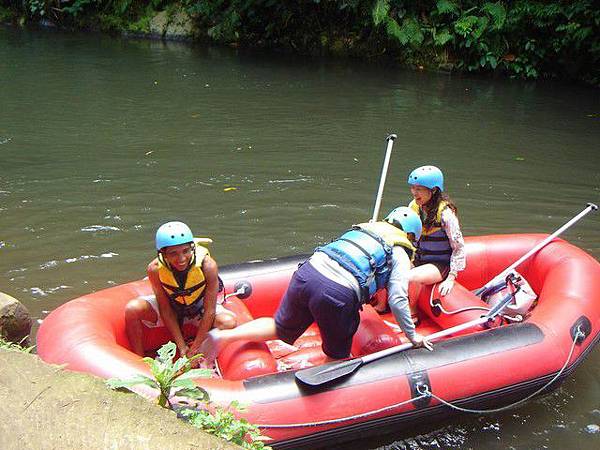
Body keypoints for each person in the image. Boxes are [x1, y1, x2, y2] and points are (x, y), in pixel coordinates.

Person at [199, 207, 431, 364]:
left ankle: (223, 337)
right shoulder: (400, 251)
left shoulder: (367, 229)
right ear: (410, 235)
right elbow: (398, 298)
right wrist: (412, 337)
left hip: (306, 274)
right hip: (335, 293)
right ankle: (320, 390)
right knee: (337, 356)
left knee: (281, 328)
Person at [125, 221, 236, 358]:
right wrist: (181, 346)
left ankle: (204, 349)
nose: (181, 258)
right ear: (163, 254)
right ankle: (138, 361)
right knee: (132, 309)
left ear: (192, 248)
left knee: (229, 323)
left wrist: (195, 348)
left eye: (185, 251)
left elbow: (210, 311)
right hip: (173, 308)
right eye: (173, 254)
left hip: (199, 308)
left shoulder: (208, 266)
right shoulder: (154, 269)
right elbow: (165, 309)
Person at [406, 165, 466, 296]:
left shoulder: (446, 214)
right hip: (417, 260)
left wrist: (451, 278)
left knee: (409, 277)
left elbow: (458, 247)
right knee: (386, 268)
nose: (414, 192)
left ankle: (413, 315)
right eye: (413, 188)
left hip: (439, 265)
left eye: (419, 189)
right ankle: (381, 307)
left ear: (433, 190)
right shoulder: (414, 206)